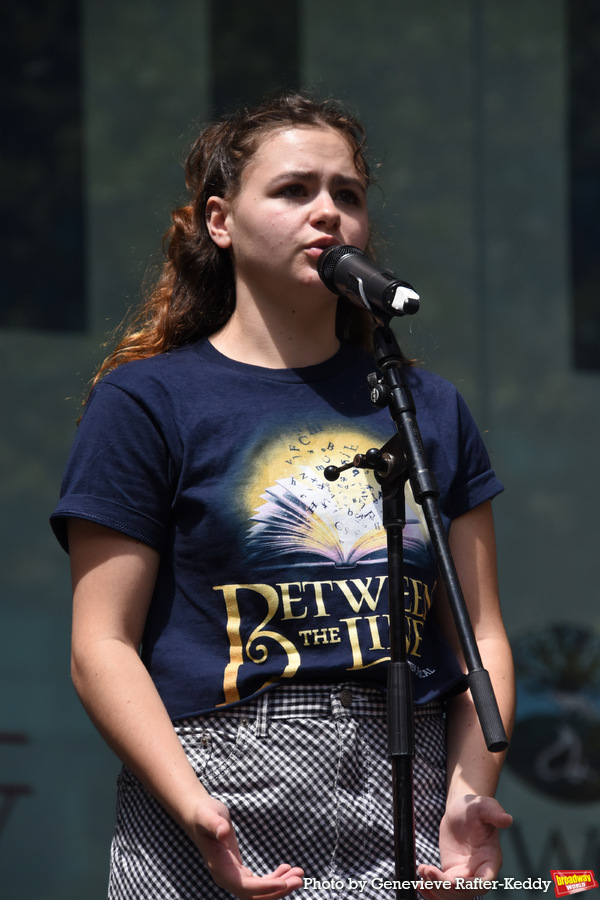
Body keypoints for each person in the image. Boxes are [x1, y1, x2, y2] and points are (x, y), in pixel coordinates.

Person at [51, 92, 515, 900]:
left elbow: (482, 637)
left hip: (406, 785)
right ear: (221, 222)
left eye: (349, 194)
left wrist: (469, 794)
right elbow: (101, 646)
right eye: (295, 190)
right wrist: (193, 807)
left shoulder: (425, 405)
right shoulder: (149, 402)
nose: (328, 213)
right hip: (219, 786)